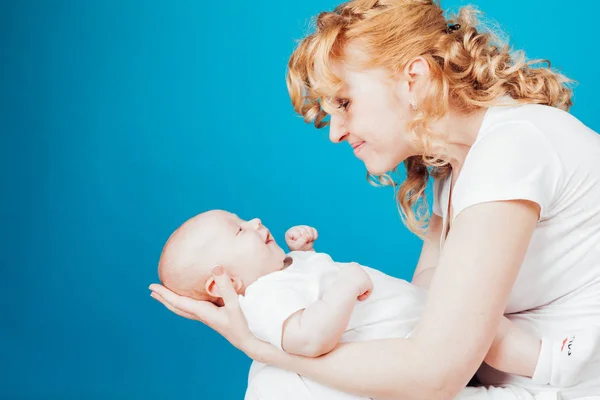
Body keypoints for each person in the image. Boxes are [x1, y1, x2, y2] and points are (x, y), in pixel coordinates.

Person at [149, 0, 600, 398]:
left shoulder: (510, 152)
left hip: (561, 389)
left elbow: (432, 376)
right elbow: (419, 311)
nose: (336, 133)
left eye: (344, 103)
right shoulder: (458, 168)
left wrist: (259, 345)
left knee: (280, 380)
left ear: (414, 80)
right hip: (503, 384)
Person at [156, 209, 598, 400]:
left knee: (483, 332)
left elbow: (309, 287)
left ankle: (548, 363)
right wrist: (344, 289)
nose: (253, 222)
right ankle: (551, 369)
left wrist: (305, 249)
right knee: (478, 349)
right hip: (399, 347)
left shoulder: (281, 275)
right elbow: (306, 338)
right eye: (238, 231)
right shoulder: (264, 299)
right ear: (224, 282)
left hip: (416, 321)